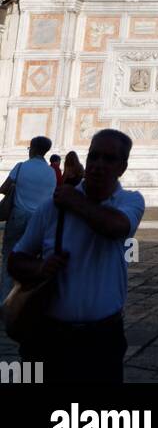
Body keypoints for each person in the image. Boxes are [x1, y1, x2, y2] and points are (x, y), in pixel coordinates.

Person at [8, 129, 144, 384]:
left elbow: (114, 228)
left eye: (109, 159)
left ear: (122, 167)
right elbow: (15, 259)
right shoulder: (52, 208)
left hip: (103, 338)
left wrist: (73, 201)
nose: (98, 165)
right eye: (94, 157)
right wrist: (40, 269)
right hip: (49, 336)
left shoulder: (129, 202)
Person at [0, 136, 57, 302]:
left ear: (32, 148)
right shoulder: (51, 172)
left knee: (9, 258)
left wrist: (15, 187)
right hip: (38, 221)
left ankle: (5, 300)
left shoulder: (21, 167)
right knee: (33, 261)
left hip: (18, 216)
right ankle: (26, 300)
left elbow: (3, 189)